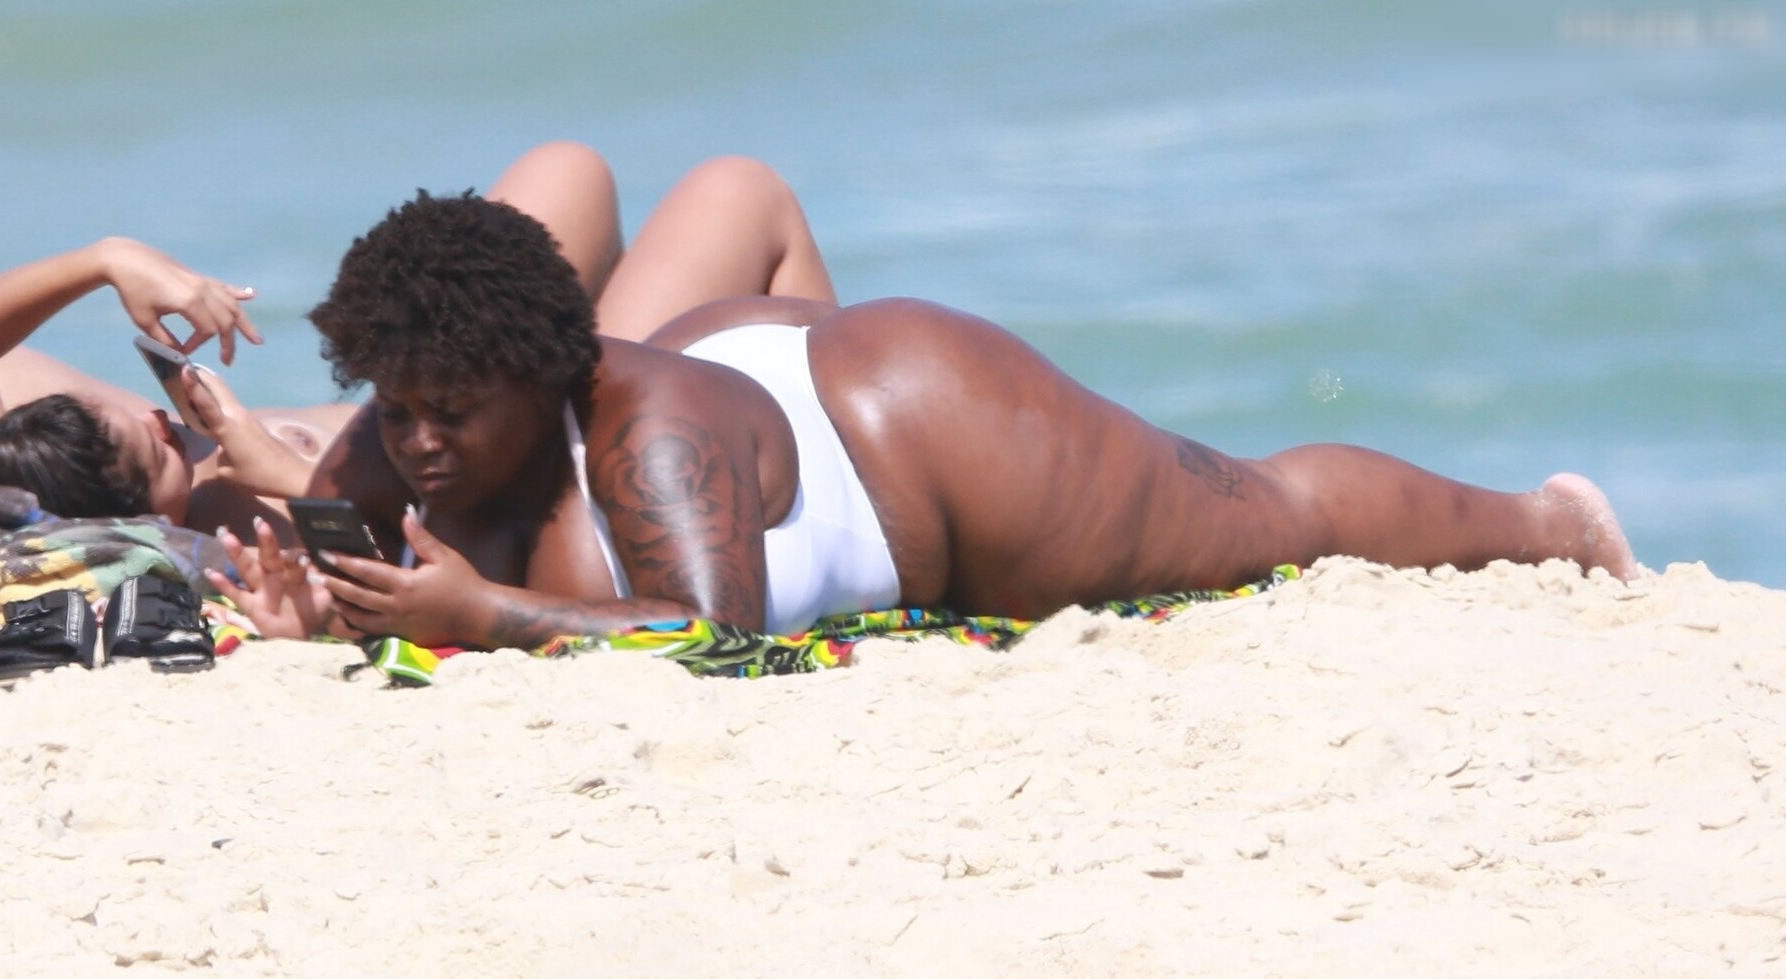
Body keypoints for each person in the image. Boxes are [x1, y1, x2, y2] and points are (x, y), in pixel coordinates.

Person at [217, 193, 1637, 648]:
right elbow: (386, 555)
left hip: (911, 430)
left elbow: (712, 636)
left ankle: (1547, 523)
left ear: (540, 371)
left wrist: (480, 614)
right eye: (399, 408)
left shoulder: (655, 440)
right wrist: (324, 612)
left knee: (1270, 515)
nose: (418, 441)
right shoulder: (414, 426)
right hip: (767, 380)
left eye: (453, 413)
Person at [0, 142, 837, 540]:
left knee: (567, 169)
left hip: (461, 381)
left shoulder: (0, 473)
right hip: (532, 443)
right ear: (130, 524)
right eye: (153, 453)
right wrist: (284, 473)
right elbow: (425, 537)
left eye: (139, 422)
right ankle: (850, 455)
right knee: (743, 195)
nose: (163, 427)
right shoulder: (224, 534)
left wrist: (110, 258)